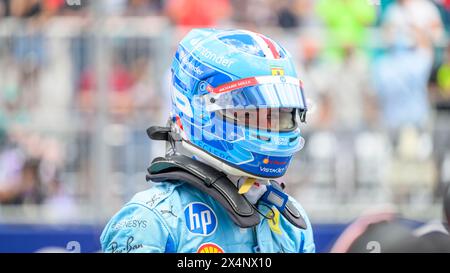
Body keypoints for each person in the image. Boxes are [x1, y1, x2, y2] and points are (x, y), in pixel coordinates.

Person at [100, 28, 315, 253]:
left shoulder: (290, 221)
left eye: (279, 116)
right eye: (252, 113)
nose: (270, 128)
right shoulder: (151, 221)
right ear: (200, 109)